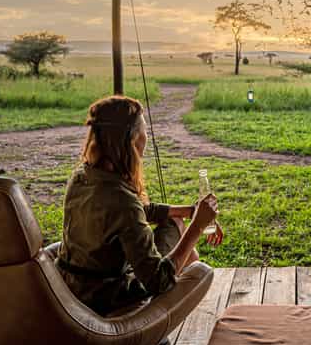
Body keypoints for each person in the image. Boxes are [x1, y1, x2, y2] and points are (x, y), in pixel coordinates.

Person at [56, 95, 223, 315]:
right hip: (106, 297)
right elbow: (158, 281)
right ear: (132, 140)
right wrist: (197, 226)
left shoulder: (82, 176)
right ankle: (172, 317)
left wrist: (190, 211)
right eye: (145, 131)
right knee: (186, 247)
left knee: (175, 222)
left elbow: (134, 212)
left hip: (71, 289)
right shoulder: (121, 199)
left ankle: (176, 313)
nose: (147, 137)